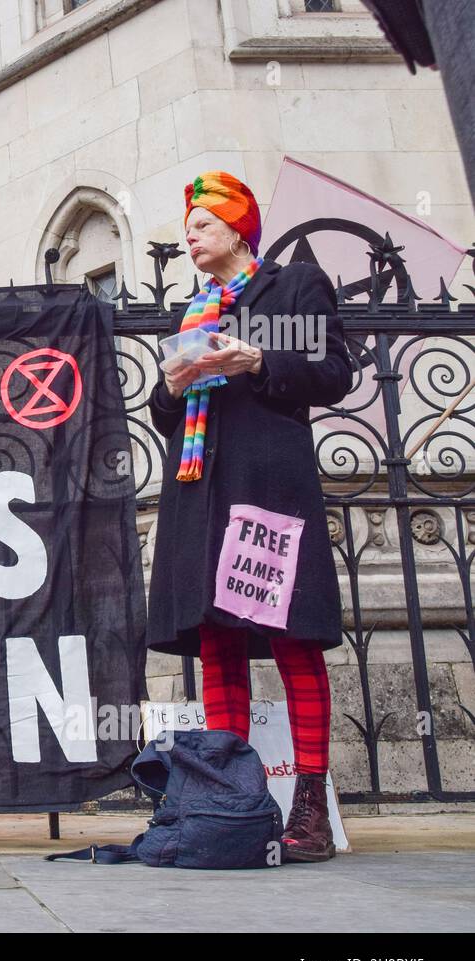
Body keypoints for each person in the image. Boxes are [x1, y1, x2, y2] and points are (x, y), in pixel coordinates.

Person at [146, 171, 357, 863]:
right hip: (198, 490)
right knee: (218, 644)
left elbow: (334, 373)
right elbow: (165, 415)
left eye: (201, 225)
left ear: (238, 228)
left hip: (266, 487)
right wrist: (171, 389)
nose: (190, 237)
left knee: (292, 638)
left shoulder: (294, 286)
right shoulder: (190, 312)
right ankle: (229, 800)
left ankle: (310, 811)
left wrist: (260, 358)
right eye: (188, 228)